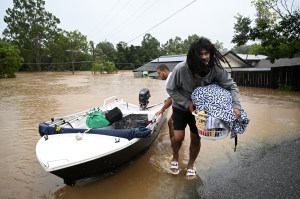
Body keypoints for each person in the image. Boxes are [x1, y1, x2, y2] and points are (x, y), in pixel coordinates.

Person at [166, 37, 241, 179]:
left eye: (207, 53)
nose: (205, 57)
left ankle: (190, 165)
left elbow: (231, 86)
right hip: (181, 107)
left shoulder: (216, 69)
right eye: (200, 54)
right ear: (193, 56)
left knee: (196, 138)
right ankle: (175, 157)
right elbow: (171, 89)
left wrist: (236, 106)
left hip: (201, 111)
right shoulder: (181, 69)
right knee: (178, 137)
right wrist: (187, 103)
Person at [155, 64, 174, 140]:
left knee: (171, 123)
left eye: (159, 73)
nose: (159, 76)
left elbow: (171, 99)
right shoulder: (173, 75)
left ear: (165, 71)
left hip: (182, 105)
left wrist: (162, 110)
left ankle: (174, 144)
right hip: (186, 102)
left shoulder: (169, 80)